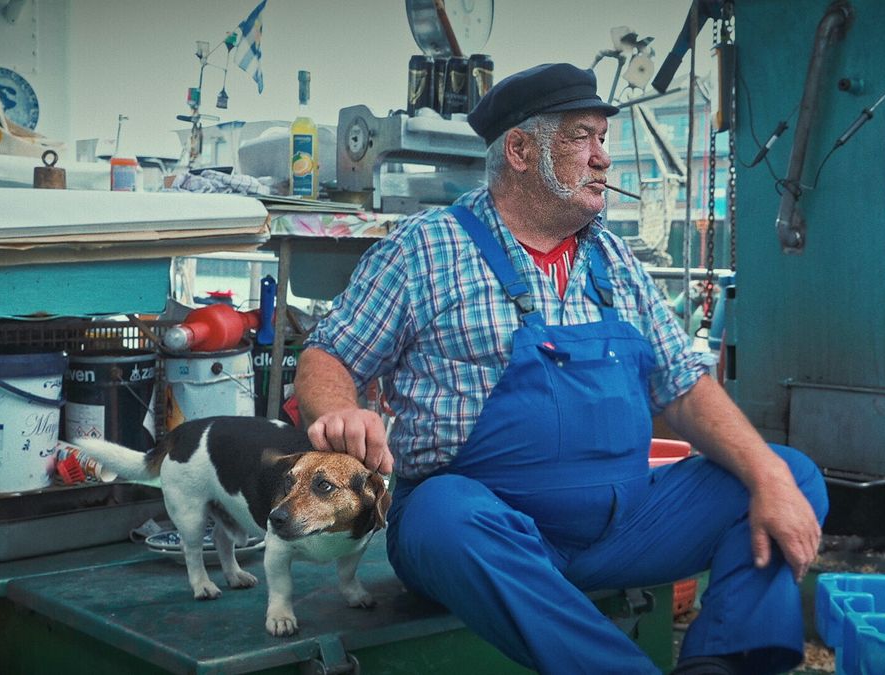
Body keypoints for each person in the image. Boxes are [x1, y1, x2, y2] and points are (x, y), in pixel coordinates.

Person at [295, 62, 828, 675]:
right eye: (583, 136)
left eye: (605, 138)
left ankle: (717, 665)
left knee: (788, 476)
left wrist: (767, 478)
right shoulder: (425, 249)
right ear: (520, 150)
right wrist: (339, 409)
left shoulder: (615, 259)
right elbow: (328, 352)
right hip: (486, 531)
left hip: (623, 529)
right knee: (444, 513)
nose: (604, 158)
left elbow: (682, 386)